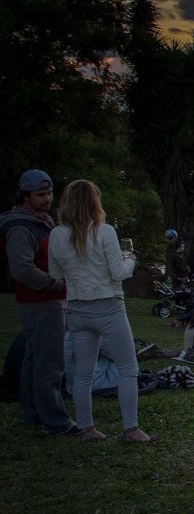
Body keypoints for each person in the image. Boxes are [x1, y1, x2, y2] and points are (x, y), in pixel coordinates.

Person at [47, 179, 153, 442]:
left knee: (83, 373)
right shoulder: (104, 231)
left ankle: (86, 428)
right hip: (108, 307)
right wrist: (131, 261)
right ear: (95, 203)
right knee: (128, 368)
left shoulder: (57, 235)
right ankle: (130, 428)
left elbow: (55, 274)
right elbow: (117, 273)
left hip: (77, 309)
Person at [0, 169, 75, 436]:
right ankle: (55, 421)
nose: (47, 199)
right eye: (40, 195)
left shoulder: (40, 220)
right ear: (25, 196)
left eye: (49, 193)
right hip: (41, 302)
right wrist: (56, 284)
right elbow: (22, 270)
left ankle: (32, 412)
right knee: (50, 364)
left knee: (33, 360)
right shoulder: (20, 226)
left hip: (45, 301)